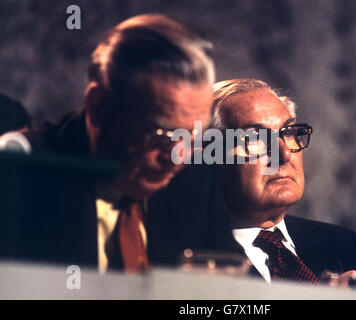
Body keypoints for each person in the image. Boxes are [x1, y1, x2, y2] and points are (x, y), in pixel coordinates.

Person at [0, 14, 233, 273]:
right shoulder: (18, 179)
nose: (178, 157)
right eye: (162, 133)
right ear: (98, 106)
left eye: (190, 135)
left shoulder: (198, 183)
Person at [210, 78, 356, 293]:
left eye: (288, 133)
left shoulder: (342, 245)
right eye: (255, 138)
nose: (284, 154)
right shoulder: (190, 259)